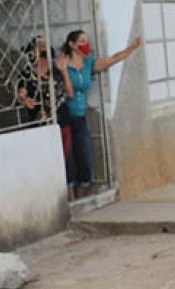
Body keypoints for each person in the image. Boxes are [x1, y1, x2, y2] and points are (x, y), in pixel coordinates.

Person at [58, 30, 143, 200]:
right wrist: (64, 71)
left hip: (81, 118)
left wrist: (132, 47)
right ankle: (70, 199)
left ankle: (81, 199)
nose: (85, 44)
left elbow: (112, 59)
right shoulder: (63, 64)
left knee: (85, 157)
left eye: (86, 40)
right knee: (67, 160)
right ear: (72, 44)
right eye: (81, 41)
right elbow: (65, 93)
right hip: (65, 119)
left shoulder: (88, 64)